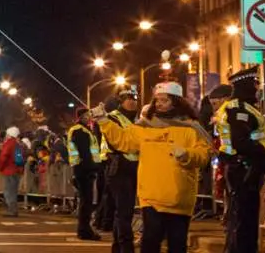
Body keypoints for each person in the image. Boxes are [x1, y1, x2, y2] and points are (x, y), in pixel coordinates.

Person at [96, 83, 210, 253]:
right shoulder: (145, 125)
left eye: (164, 100)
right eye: (157, 100)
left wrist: (187, 155)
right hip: (151, 196)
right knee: (150, 242)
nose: (159, 104)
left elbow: (204, 154)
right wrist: (103, 121)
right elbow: (123, 141)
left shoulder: (191, 127)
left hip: (179, 196)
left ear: (177, 102)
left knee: (177, 244)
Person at [212, 68, 265, 253]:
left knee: (241, 217)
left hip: (242, 167)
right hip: (244, 168)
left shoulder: (238, 107)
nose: (257, 87)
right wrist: (264, 152)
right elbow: (241, 142)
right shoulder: (239, 109)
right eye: (255, 83)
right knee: (244, 220)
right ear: (246, 85)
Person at [98, 91, 140, 253]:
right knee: (124, 212)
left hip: (133, 168)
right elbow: (116, 142)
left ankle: (118, 247)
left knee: (123, 212)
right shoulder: (113, 117)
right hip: (119, 168)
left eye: (134, 99)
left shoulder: (136, 119)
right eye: (128, 99)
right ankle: (126, 248)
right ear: (120, 102)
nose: (132, 102)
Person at [66, 109, 104, 241]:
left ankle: (84, 230)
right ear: (81, 117)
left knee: (86, 201)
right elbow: (85, 152)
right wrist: (94, 167)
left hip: (82, 169)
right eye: (87, 115)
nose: (89, 117)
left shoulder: (83, 130)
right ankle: (84, 230)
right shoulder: (79, 130)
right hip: (84, 169)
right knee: (86, 202)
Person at [0, 128, 25, 217]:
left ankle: (12, 211)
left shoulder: (8, 144)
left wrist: (0, 167)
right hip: (16, 171)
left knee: (8, 192)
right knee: (13, 192)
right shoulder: (17, 144)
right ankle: (13, 210)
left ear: (9, 135)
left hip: (9, 171)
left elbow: (3, 157)